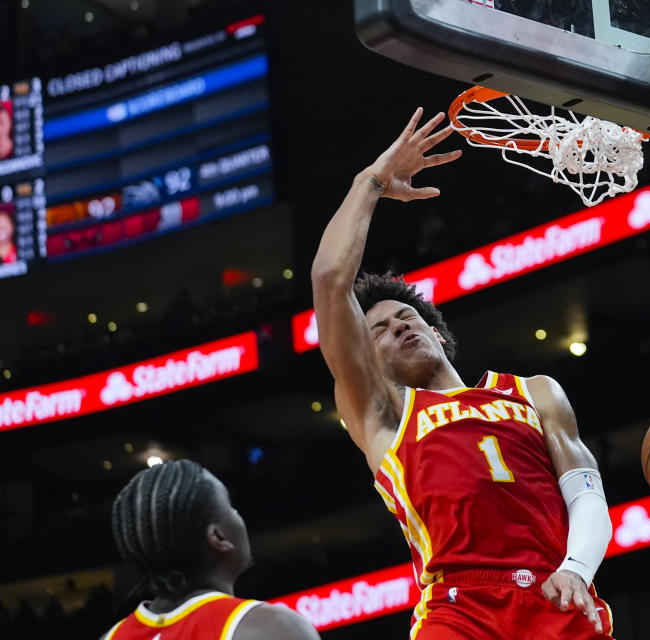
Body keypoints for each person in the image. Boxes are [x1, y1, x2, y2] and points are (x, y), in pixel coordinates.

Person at [311, 108, 614, 639]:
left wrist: (577, 569)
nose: (401, 327)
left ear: (437, 331)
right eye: (378, 330)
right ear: (367, 359)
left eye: (408, 317)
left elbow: (586, 495)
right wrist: (372, 182)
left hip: (559, 593)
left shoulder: (534, 393)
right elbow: (330, 279)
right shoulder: (384, 415)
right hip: (459, 608)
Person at [100, 459, 318, 640]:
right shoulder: (271, 628)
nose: (238, 515)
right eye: (231, 508)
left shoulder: (111, 636)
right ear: (218, 537)